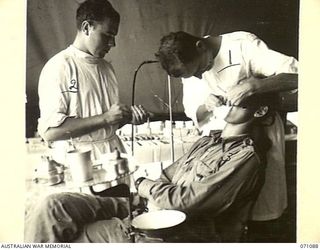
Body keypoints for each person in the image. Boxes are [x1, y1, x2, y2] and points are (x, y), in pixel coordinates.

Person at [25, 92, 276, 243]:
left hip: (177, 231)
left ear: (260, 110)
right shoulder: (207, 141)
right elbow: (166, 175)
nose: (228, 100)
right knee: (53, 205)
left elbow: (186, 203)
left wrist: (143, 184)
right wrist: (148, 190)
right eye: (229, 94)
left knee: (73, 236)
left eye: (239, 99)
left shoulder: (245, 158)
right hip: (143, 206)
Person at [155, 31, 298, 222]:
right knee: (220, 211)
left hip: (258, 138)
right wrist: (206, 105)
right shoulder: (187, 62)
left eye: (198, 70)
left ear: (200, 46)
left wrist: (256, 86)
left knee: (262, 208)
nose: (198, 77)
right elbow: (192, 109)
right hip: (218, 145)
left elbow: (301, 76)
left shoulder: (242, 45)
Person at [37, 0, 148, 163]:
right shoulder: (60, 66)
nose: (113, 44)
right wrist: (106, 118)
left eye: (114, 37)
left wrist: (125, 118)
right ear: (86, 27)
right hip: (79, 161)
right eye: (107, 35)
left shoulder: (106, 68)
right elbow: (50, 132)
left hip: (113, 155)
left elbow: (104, 125)